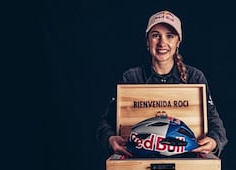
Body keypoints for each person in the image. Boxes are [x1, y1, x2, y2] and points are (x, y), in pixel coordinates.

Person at [96, 10, 227, 158]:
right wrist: (110, 139)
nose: (162, 43)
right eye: (156, 35)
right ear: (147, 41)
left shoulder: (195, 77)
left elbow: (215, 122)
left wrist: (214, 141)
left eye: (169, 36)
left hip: (186, 161)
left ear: (178, 41)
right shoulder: (131, 77)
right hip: (138, 163)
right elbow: (105, 123)